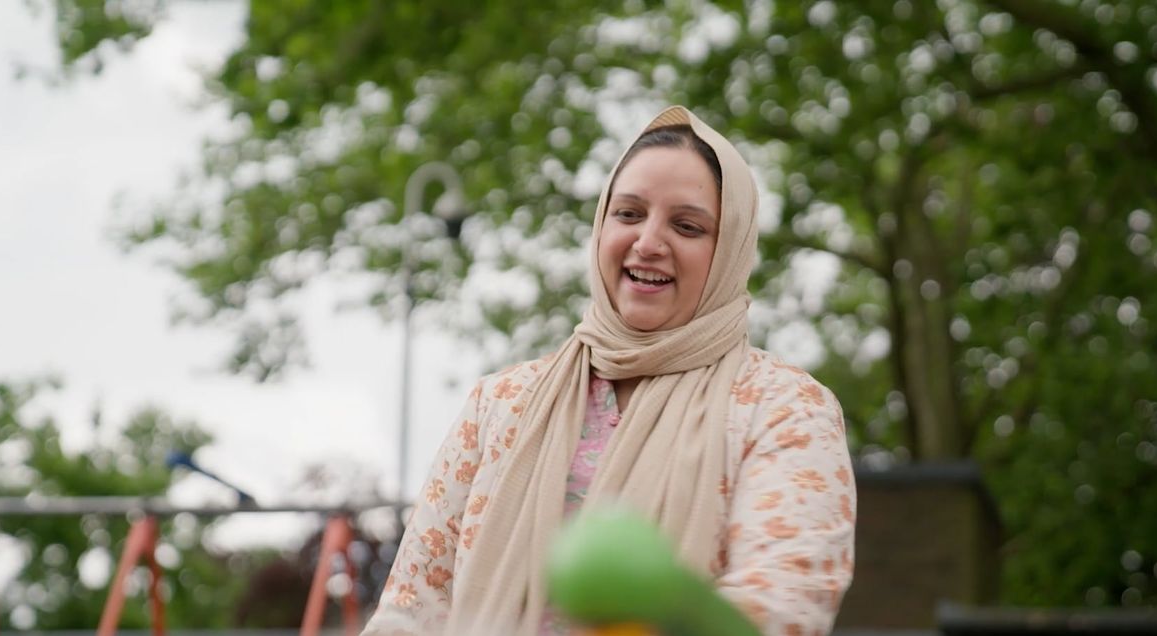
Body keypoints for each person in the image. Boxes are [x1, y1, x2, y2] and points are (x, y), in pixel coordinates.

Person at [361, 106, 855, 636]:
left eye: (687, 226)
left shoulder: (784, 407)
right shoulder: (501, 402)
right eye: (628, 214)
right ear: (600, 226)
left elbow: (782, 607)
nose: (648, 242)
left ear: (731, 248)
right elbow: (413, 607)